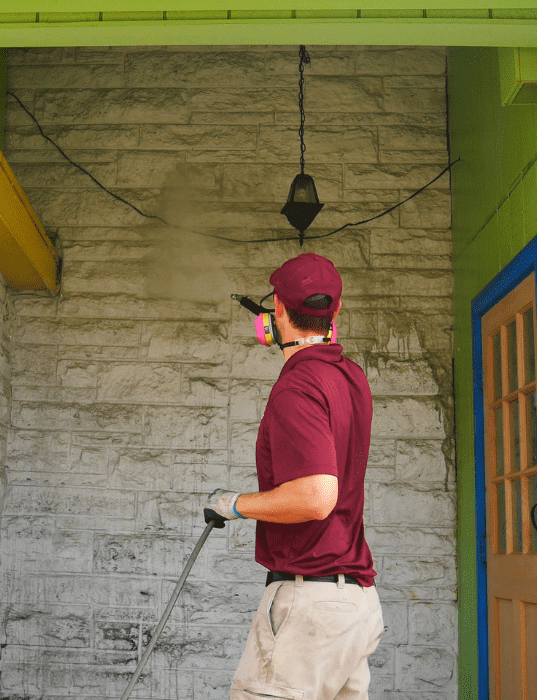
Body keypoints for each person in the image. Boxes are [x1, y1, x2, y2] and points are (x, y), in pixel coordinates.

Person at [207, 252, 384, 700]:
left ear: (277, 312)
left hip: (311, 606)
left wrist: (234, 505)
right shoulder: (350, 378)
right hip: (357, 605)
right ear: (335, 313)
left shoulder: (298, 385)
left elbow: (317, 496)